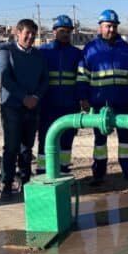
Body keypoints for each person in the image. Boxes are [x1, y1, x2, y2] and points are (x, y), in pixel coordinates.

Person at [78, 9, 128, 186]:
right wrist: (83, 98)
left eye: (114, 26)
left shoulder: (125, 49)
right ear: (100, 27)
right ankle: (98, 174)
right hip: (99, 104)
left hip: (123, 102)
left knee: (125, 141)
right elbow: (83, 76)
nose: (111, 29)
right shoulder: (90, 49)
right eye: (108, 26)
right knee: (99, 142)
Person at [0, 18, 48, 200]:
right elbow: (5, 78)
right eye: (27, 33)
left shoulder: (38, 55)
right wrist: (23, 97)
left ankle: (25, 181)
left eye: (34, 34)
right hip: (13, 108)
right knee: (11, 147)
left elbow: (44, 80)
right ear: (17, 33)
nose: (31, 37)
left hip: (32, 107)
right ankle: (7, 184)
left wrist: (35, 97)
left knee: (27, 147)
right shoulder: (6, 51)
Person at [36, 15, 84, 175]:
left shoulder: (77, 54)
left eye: (68, 31)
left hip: (70, 105)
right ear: (54, 31)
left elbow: (81, 80)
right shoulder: (43, 52)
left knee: (66, 140)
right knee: (45, 139)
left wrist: (81, 100)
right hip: (47, 105)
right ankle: (43, 172)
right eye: (62, 31)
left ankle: (63, 171)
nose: (65, 34)